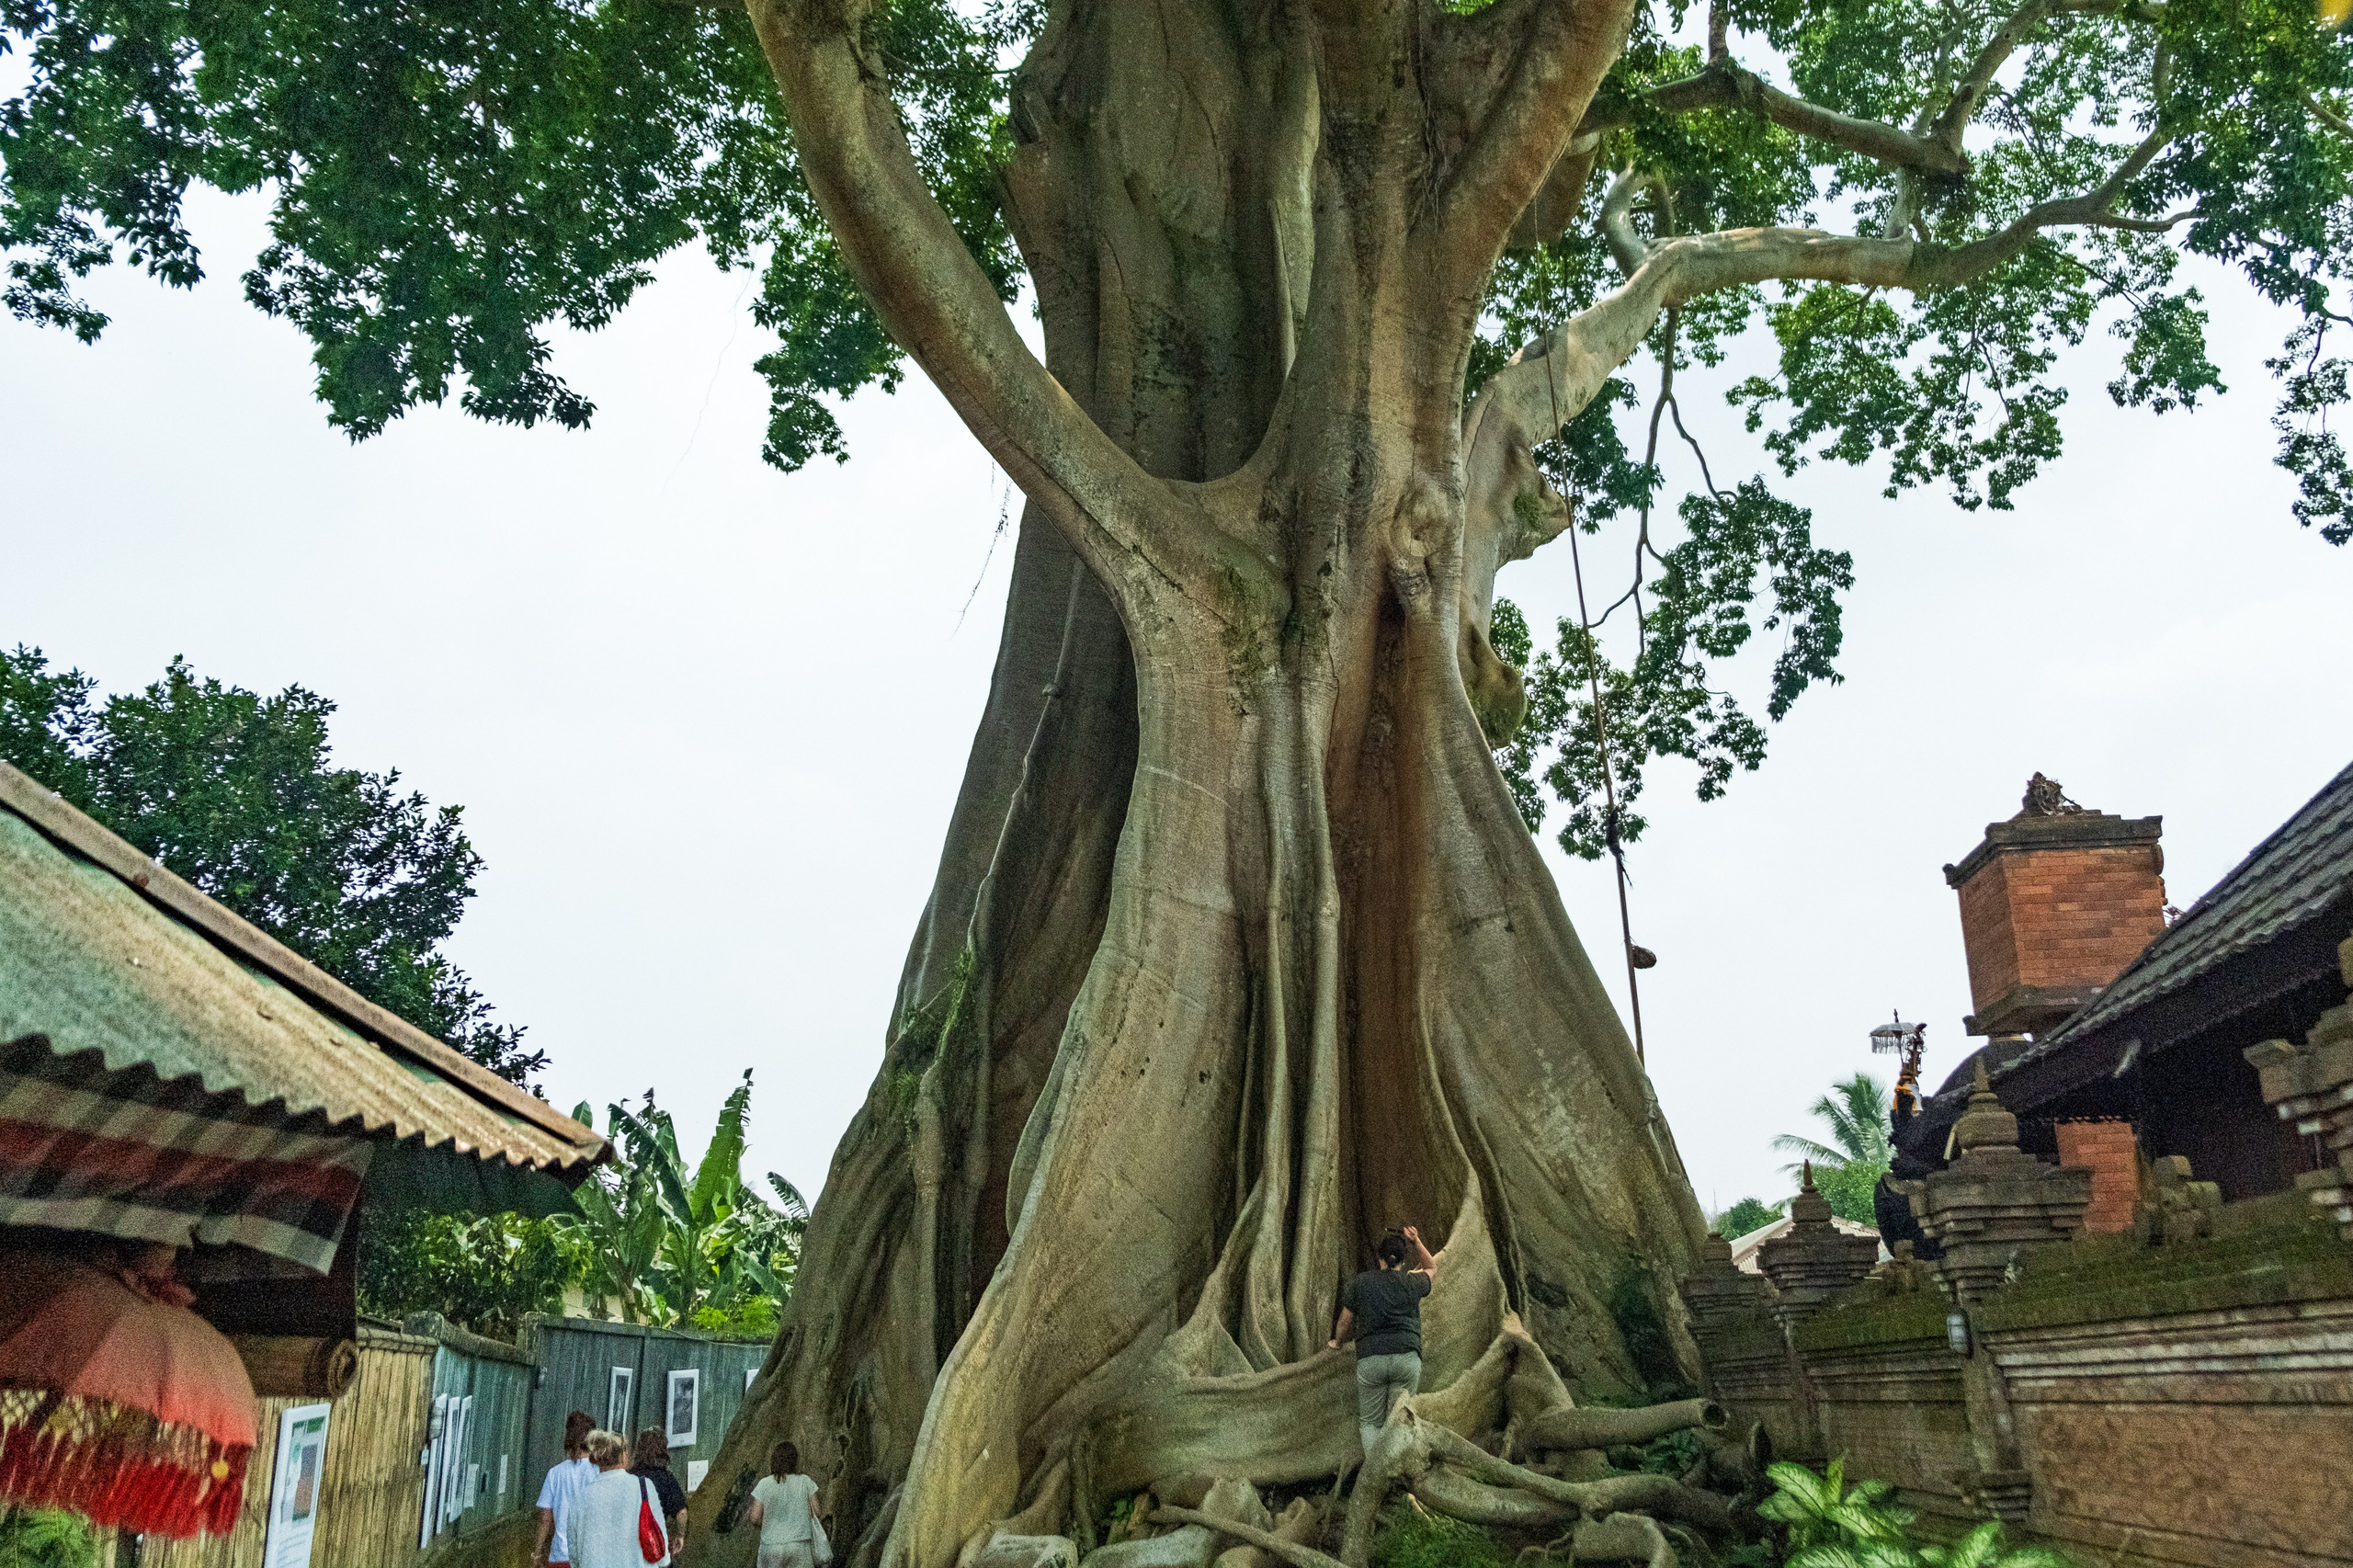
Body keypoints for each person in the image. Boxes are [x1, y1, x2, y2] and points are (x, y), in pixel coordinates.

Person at [1327, 1224, 1442, 1453]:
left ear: (1379, 1258)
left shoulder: (1362, 1282)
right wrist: (1415, 1240)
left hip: (1371, 1361)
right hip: (1406, 1360)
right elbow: (1431, 1266)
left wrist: (1337, 1343)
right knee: (1399, 1421)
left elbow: (1344, 1321)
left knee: (1371, 1423)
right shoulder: (1412, 1282)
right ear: (1403, 1261)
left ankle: (1376, 1475)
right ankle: (1397, 1475)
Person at [564, 1428, 672, 1568]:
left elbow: (574, 1555)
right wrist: (665, 1562)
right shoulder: (643, 1487)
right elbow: (660, 1536)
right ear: (623, 1455)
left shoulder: (580, 1498)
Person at [745, 1439, 826, 1568]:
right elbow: (817, 1512)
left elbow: (755, 1518)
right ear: (795, 1461)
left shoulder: (765, 1484)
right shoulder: (804, 1481)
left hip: (772, 1546)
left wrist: (768, 1523)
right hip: (799, 1546)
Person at [536, 1411, 597, 1568]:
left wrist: (537, 1552)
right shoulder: (600, 1471)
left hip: (561, 1555)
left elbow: (545, 1519)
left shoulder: (554, 1473)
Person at [630, 1426, 690, 1553]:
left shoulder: (630, 1476)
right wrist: (680, 1535)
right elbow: (682, 1513)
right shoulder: (667, 1479)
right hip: (655, 1542)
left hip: (630, 1540)